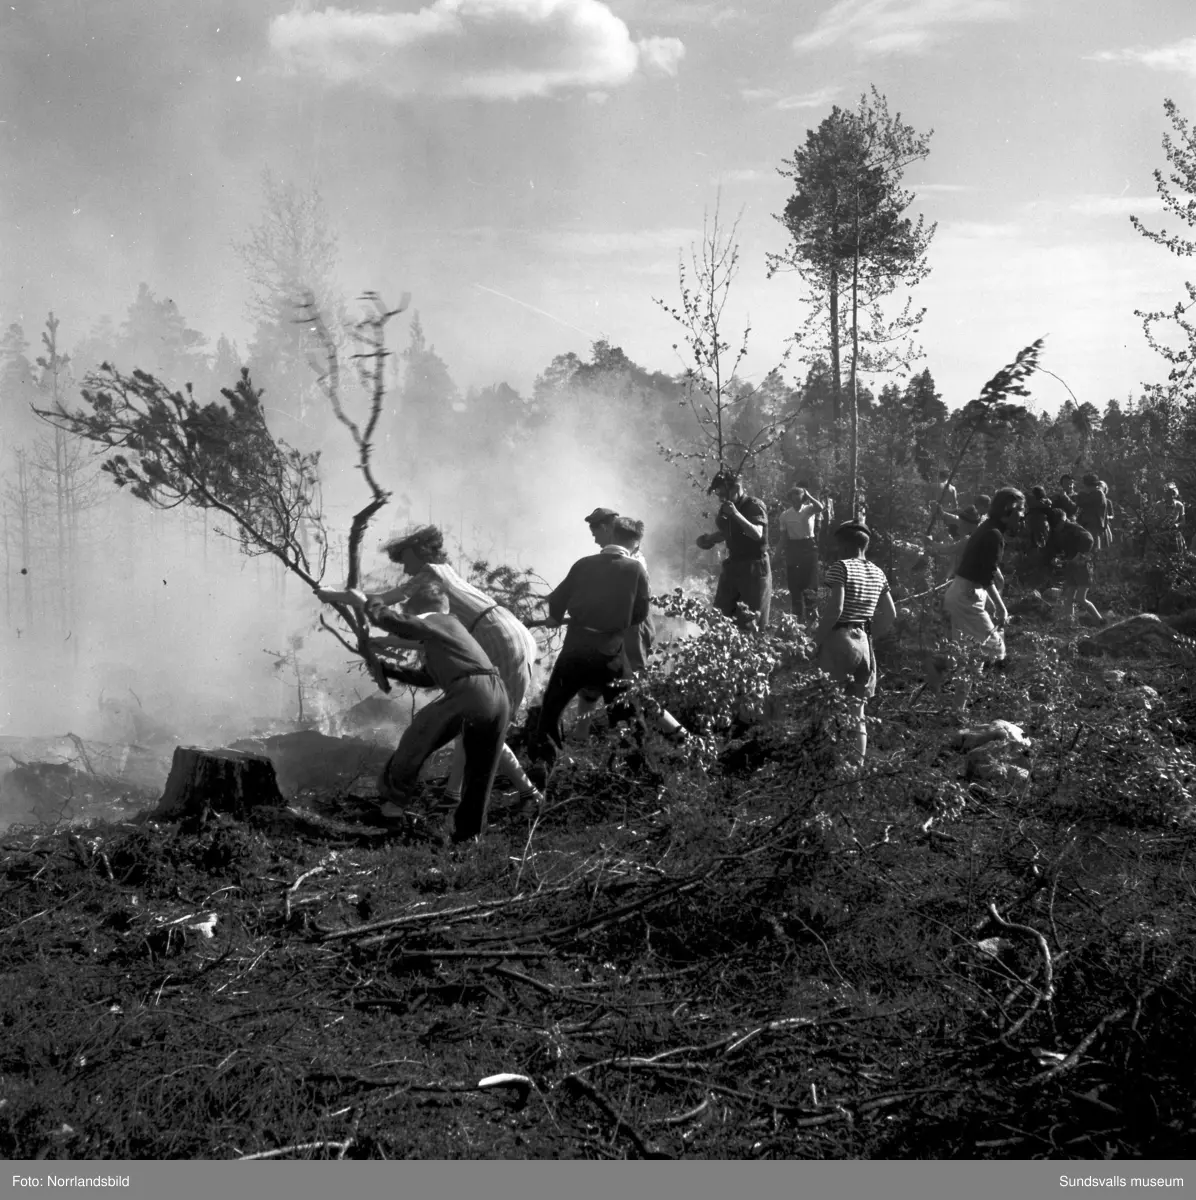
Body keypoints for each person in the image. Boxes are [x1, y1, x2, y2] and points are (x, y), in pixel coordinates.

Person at [317, 525, 541, 810]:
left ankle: (527, 793)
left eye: (406, 561)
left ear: (420, 553)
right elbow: (432, 640)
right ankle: (455, 796)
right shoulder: (445, 577)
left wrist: (336, 595)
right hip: (510, 633)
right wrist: (380, 641)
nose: (406, 570)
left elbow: (384, 603)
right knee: (481, 721)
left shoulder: (431, 572)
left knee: (487, 724)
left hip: (498, 638)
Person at [354, 580, 510, 843]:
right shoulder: (448, 634)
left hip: (472, 691)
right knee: (480, 770)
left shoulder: (436, 618)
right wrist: (388, 669)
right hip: (497, 696)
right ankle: (469, 838)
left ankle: (391, 814)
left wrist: (370, 602)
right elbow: (428, 679)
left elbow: (398, 623)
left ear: (418, 610)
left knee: (416, 738)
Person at [531, 519, 651, 770]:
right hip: (611, 654)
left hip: (576, 648)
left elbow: (559, 596)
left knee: (551, 709)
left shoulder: (583, 564)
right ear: (633, 542)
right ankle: (635, 768)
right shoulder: (636, 570)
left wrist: (554, 617)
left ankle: (545, 763)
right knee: (627, 713)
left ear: (612, 535)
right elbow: (640, 614)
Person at [813, 521, 897, 765]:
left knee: (826, 703)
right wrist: (871, 637)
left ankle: (823, 766)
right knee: (857, 711)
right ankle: (856, 771)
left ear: (844, 544)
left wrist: (815, 640)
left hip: (840, 639)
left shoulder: (840, 568)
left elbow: (835, 609)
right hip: (864, 642)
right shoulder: (878, 573)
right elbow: (891, 614)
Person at [941, 487, 1026, 712]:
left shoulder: (989, 529)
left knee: (972, 655)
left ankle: (958, 707)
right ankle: (972, 694)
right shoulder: (993, 534)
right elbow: (985, 575)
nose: (1022, 517)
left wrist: (993, 588)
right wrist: (1001, 607)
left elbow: (984, 569)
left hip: (964, 594)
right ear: (1007, 511)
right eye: (1019, 512)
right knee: (996, 648)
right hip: (965, 597)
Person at [696, 468, 771, 632]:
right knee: (721, 615)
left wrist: (735, 513)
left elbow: (757, 534)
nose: (721, 498)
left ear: (736, 488)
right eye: (719, 495)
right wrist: (709, 540)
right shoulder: (727, 508)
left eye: (723, 494)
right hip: (734, 565)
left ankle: (749, 655)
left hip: (754, 568)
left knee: (750, 620)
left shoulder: (754, 506)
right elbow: (728, 532)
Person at [1045, 508, 1101, 623]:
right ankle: (1070, 623)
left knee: (1081, 599)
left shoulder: (1074, 528)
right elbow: (1053, 546)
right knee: (1068, 598)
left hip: (1082, 566)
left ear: (1062, 521)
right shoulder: (1056, 531)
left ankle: (1100, 620)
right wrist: (1054, 557)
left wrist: (1080, 554)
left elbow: (1089, 539)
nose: (1055, 527)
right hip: (1070, 567)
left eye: (1057, 524)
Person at [778, 484, 824, 622]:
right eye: (793, 499)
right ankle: (798, 619)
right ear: (790, 500)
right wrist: (777, 555)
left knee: (810, 582)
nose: (796, 502)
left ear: (803, 499)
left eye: (799, 498)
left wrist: (808, 495)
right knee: (794, 583)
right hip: (793, 547)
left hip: (808, 546)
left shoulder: (809, 509)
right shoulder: (785, 515)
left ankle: (812, 617)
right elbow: (783, 537)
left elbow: (820, 507)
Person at [1075, 473, 1108, 552]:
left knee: (1093, 546)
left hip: (1094, 525)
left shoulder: (1098, 494)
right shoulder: (1092, 494)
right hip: (1087, 524)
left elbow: (1082, 502)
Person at [1155, 483, 1186, 554]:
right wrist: (1161, 521)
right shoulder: (1158, 505)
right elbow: (1154, 520)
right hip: (1161, 534)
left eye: (1171, 493)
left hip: (1174, 534)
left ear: (1174, 494)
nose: (1169, 495)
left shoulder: (1179, 505)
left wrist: (1176, 525)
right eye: (1167, 493)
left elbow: (1183, 522)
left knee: (1177, 555)